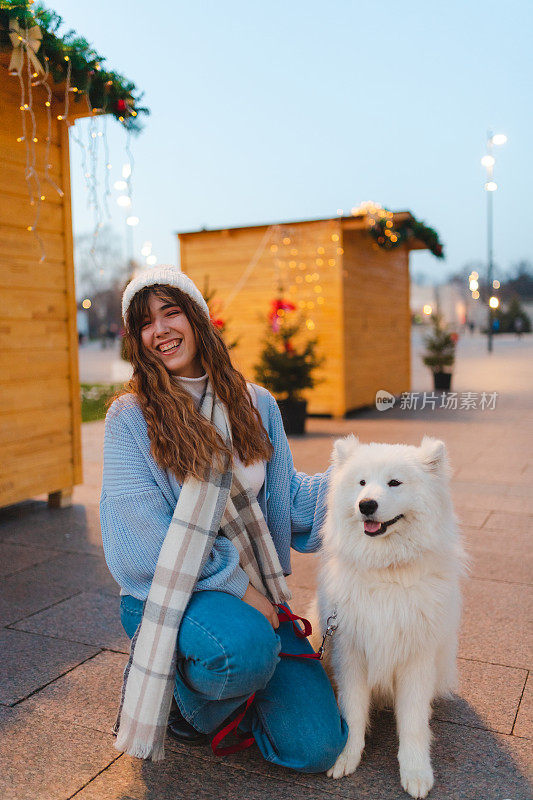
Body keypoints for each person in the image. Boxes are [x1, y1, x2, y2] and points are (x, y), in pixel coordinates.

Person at [100, 265, 348, 772]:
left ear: (197, 319)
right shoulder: (131, 417)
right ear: (137, 338)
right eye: (146, 322)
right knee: (244, 652)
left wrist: (363, 478)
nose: (161, 330)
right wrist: (241, 587)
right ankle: (190, 701)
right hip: (169, 593)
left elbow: (287, 502)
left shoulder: (255, 403)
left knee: (317, 747)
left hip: (254, 597)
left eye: (172, 312)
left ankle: (238, 693)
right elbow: (141, 545)